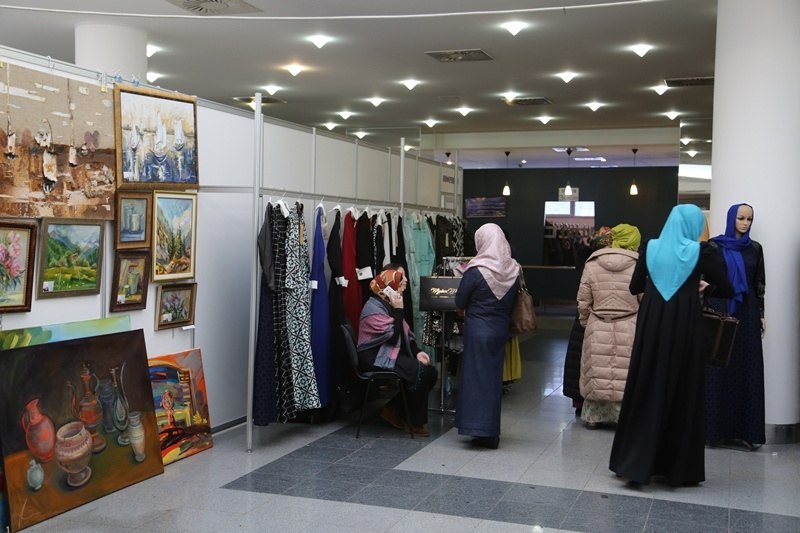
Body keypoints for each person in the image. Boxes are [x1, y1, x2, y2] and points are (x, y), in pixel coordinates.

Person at [609, 204, 733, 486]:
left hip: (652, 323)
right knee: (682, 388)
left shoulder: (650, 247)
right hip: (685, 325)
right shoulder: (703, 252)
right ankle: (676, 469)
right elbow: (727, 288)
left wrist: (660, 280)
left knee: (646, 384)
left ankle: (634, 463)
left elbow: (634, 287)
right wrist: (704, 287)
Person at [705, 203, 766, 450]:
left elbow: (759, 283)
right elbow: (706, 279)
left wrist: (761, 314)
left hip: (747, 313)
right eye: (741, 218)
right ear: (732, 218)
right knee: (718, 367)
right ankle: (714, 431)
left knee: (746, 367)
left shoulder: (755, 249)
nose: (745, 223)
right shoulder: (714, 246)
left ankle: (747, 432)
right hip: (720, 309)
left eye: (749, 219)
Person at [454, 223, 519, 449]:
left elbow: (460, 300)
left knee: (474, 378)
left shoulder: (475, 270)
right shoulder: (513, 269)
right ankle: (491, 432)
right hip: (500, 329)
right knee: (493, 380)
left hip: (476, 330)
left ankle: (476, 428)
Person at [357, 265, 438, 436]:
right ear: (389, 288)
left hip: (387, 351)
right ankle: (413, 422)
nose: (402, 290)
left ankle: (393, 410)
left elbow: (404, 333)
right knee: (420, 372)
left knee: (430, 373)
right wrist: (399, 310)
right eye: (400, 286)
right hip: (374, 356)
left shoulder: (387, 303)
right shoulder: (373, 308)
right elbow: (394, 337)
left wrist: (416, 352)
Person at [576, 223, 641, 429]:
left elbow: (583, 300)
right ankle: (624, 418)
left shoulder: (592, 263)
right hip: (629, 324)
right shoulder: (639, 265)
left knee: (596, 369)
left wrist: (586, 322)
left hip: (598, 322)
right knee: (625, 370)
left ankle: (594, 417)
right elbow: (644, 298)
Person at [563, 227, 613, 417]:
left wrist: (584, 319)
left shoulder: (588, 264)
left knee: (580, 360)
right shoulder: (626, 264)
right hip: (606, 320)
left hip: (585, 319)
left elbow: (583, 299)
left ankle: (579, 401)